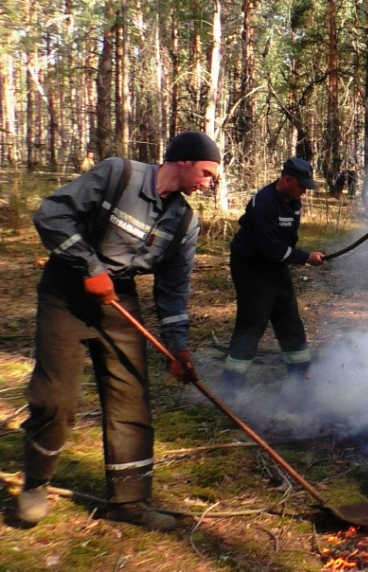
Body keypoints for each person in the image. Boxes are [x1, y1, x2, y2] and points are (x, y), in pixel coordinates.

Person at [18, 131, 221, 532]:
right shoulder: (119, 175)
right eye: (206, 172)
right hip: (67, 290)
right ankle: (36, 482)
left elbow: (173, 289)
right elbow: (51, 214)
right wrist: (88, 265)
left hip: (118, 299)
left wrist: (177, 348)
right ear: (182, 162)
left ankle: (129, 501)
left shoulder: (185, 221)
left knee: (131, 399)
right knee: (55, 397)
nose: (209, 182)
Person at [220, 157, 325, 389]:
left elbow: (284, 244)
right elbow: (270, 246)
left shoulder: (294, 202)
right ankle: (231, 385)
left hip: (276, 266)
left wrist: (300, 256)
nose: (304, 193)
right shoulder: (265, 202)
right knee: (253, 321)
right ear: (286, 180)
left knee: (289, 318)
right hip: (251, 267)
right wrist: (306, 258)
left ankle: (302, 378)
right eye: (301, 187)